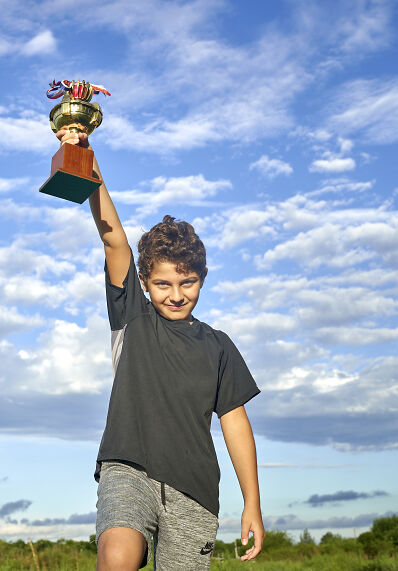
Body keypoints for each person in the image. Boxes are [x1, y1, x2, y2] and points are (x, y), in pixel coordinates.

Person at [55, 129, 265, 570]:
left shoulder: (219, 346)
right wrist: (84, 156)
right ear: (145, 284)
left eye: (187, 282)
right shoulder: (133, 316)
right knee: (116, 555)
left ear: (202, 280)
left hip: (195, 490)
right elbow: (114, 239)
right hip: (127, 469)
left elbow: (235, 424)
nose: (175, 293)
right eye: (163, 283)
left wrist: (252, 504)